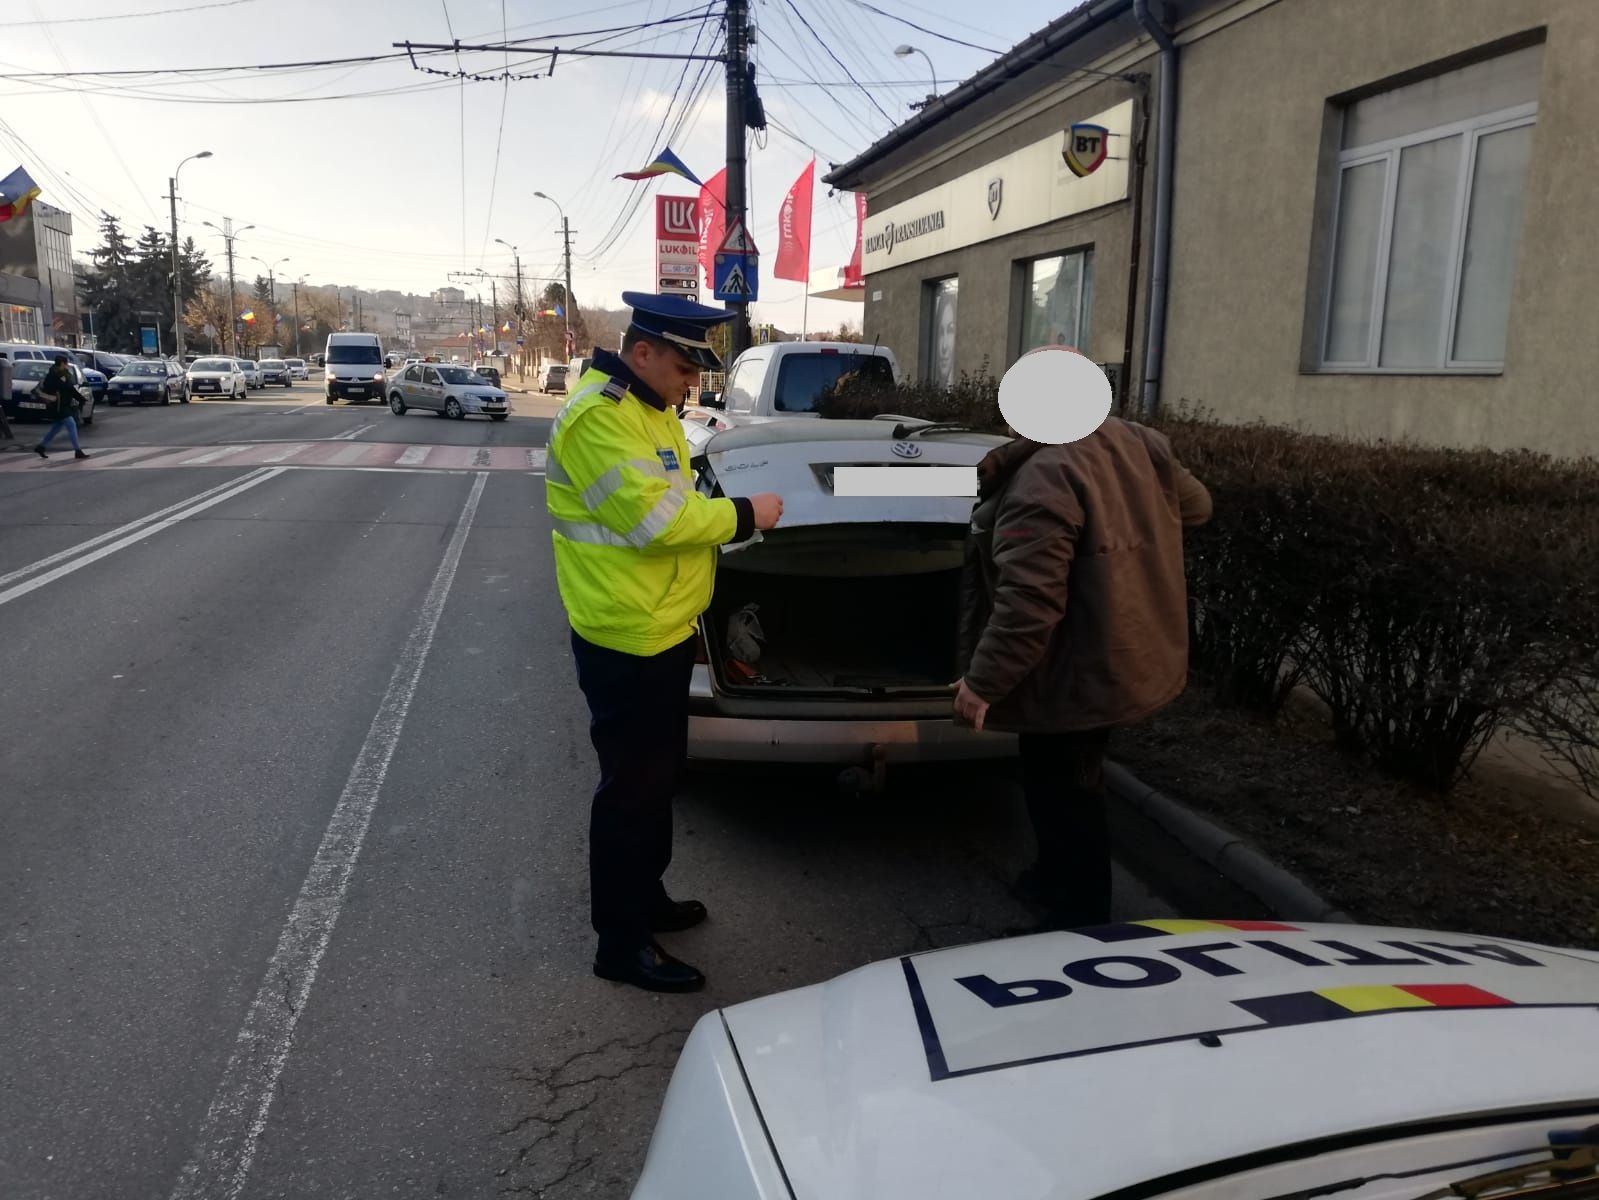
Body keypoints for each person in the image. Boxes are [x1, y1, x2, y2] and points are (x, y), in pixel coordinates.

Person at [547, 292, 784, 993]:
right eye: (685, 367)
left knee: (655, 784)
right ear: (641, 352)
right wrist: (746, 514)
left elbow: (672, 500)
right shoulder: (598, 417)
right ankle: (620, 945)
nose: (693, 382)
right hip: (625, 636)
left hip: (661, 626)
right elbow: (657, 522)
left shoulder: (646, 410)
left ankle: (644, 899)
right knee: (630, 793)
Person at [954, 399, 1211, 930]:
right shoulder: (1139, 442)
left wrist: (981, 685)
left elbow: (1028, 607)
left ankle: (1076, 923)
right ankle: (1051, 880)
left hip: (1072, 668)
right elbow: (1197, 507)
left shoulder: (1043, 480)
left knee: (1068, 794)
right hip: (1122, 653)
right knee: (1059, 779)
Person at [34, 354, 89, 461]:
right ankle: (78, 451)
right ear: (62, 363)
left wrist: (81, 399)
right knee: (71, 424)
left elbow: (70, 389)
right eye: (66, 363)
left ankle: (41, 447)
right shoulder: (55, 375)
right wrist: (80, 399)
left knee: (56, 428)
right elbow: (65, 388)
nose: (67, 365)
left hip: (62, 404)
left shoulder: (61, 374)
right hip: (58, 406)